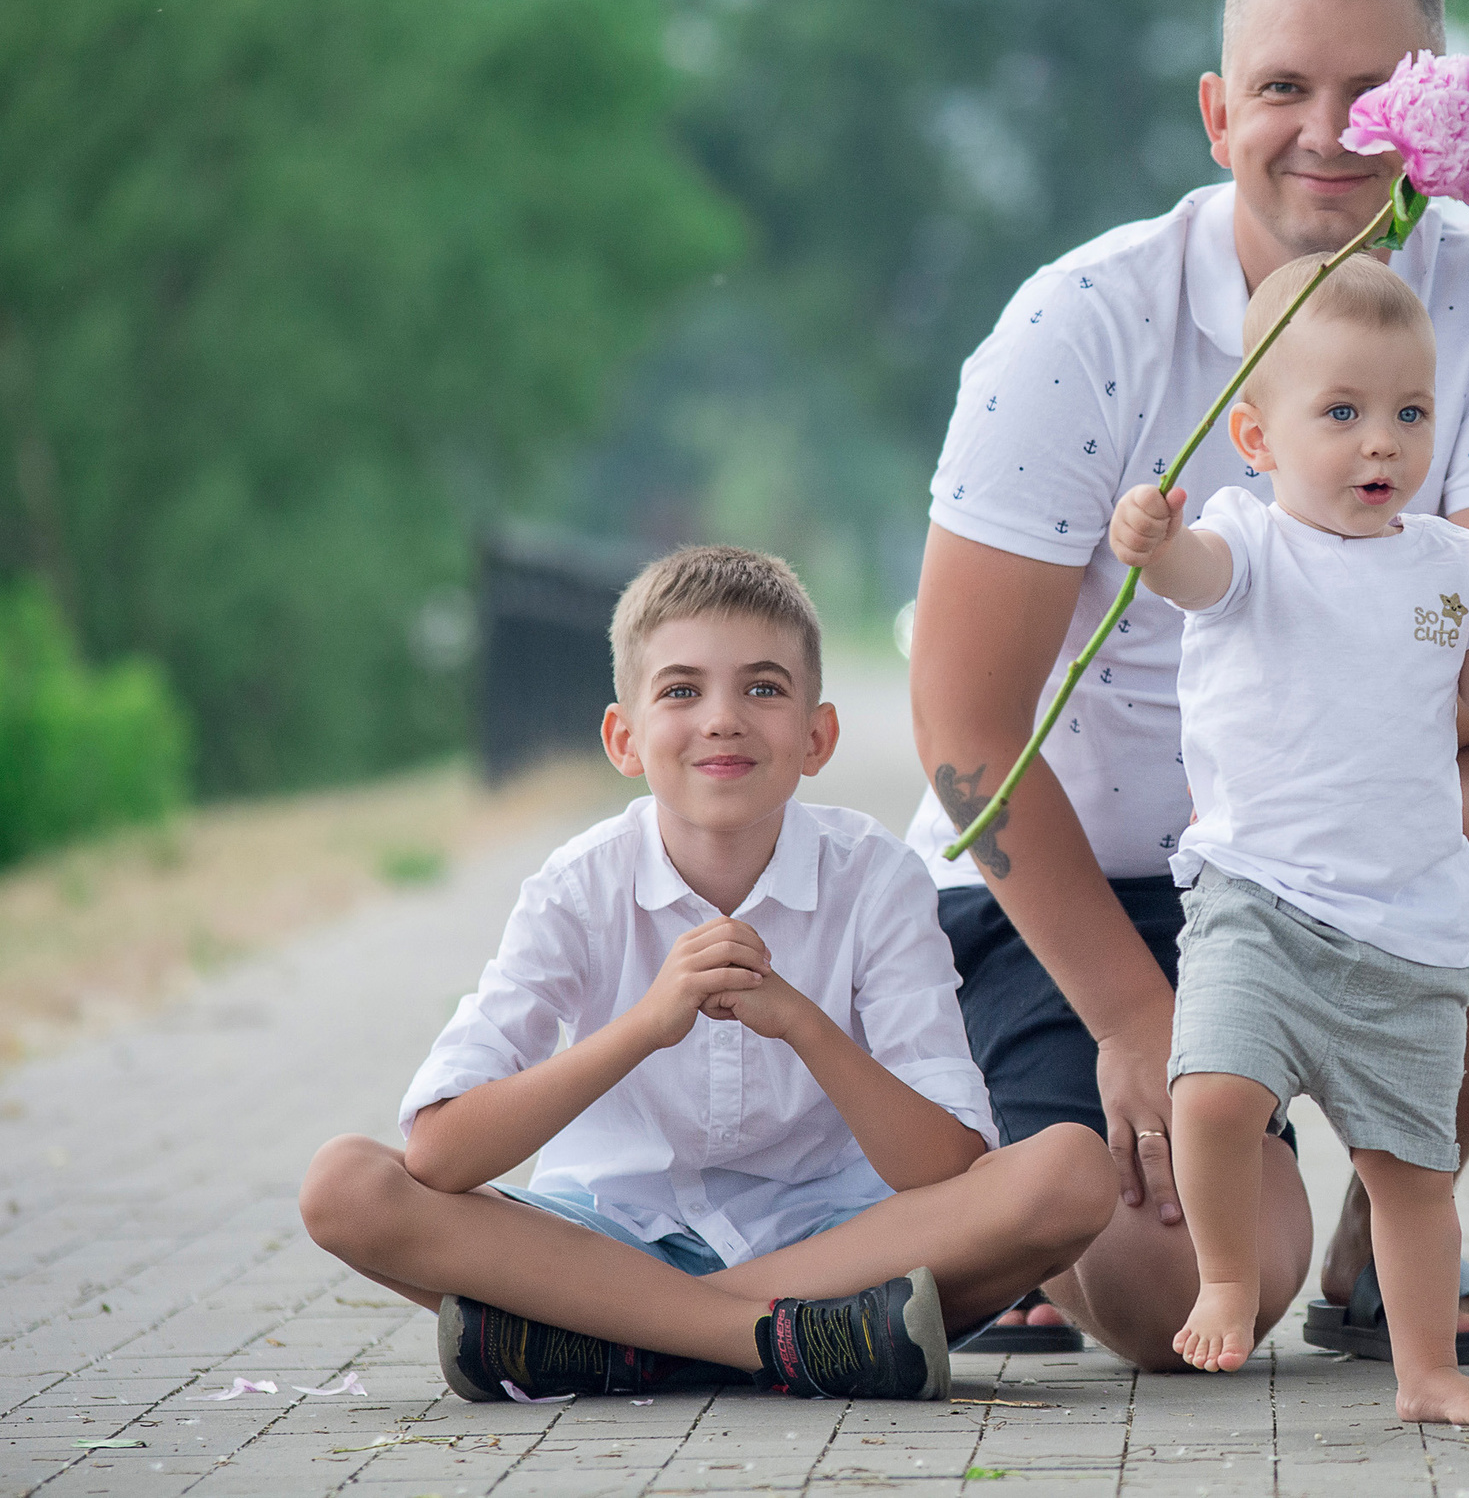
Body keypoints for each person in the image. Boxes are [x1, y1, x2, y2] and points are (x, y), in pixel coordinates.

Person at [906, 0, 1469, 1368]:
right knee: (1172, 1300)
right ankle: (1013, 1175)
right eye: (1285, 88)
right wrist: (1131, 1018)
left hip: (1327, 862)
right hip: (1084, 884)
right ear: (1219, 114)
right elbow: (966, 728)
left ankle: (1391, 1232)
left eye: (1376, 92)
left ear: (1435, 112)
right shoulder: (1079, 321)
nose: (1330, 131)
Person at [298, 546, 1117, 1402]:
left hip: (836, 1243)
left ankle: (615, 1341)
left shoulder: (876, 878)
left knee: (1069, 1171)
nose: (723, 719)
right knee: (345, 1185)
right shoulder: (578, 886)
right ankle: (775, 1341)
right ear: (623, 738)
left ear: (817, 736)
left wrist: (802, 1022)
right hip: (607, 1235)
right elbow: (437, 1152)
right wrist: (646, 1025)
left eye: (762, 687)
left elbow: (947, 1169)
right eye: (682, 691)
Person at [1107, 253, 1469, 1420]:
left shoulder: (1448, 566)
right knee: (1214, 1096)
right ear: (1256, 436)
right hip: (1259, 898)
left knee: (1412, 1177)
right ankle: (1226, 1278)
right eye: (1340, 413)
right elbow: (1190, 577)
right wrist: (1151, 539)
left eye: (1410, 413)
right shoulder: (1247, 541)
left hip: (1407, 927)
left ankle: (1425, 1372)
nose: (1381, 441)